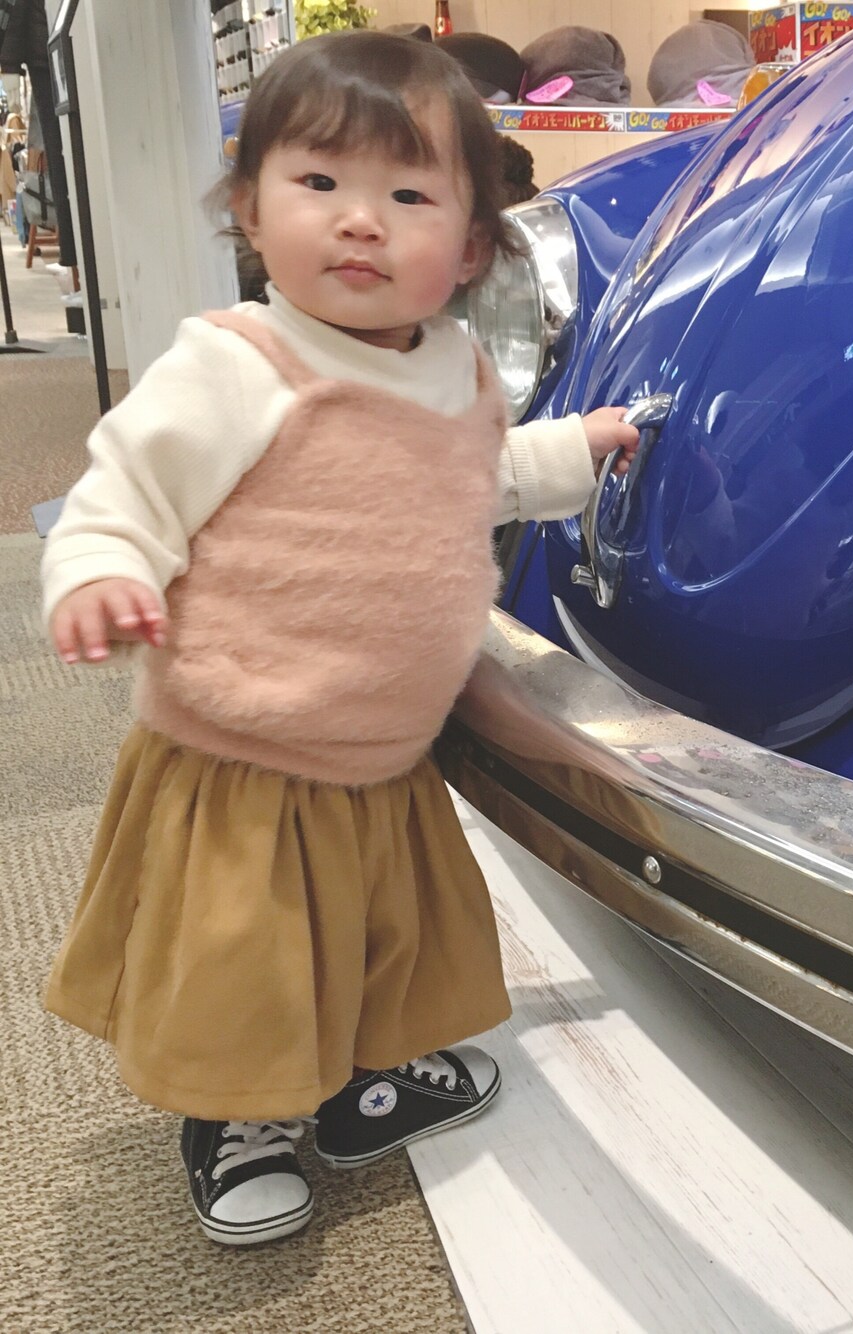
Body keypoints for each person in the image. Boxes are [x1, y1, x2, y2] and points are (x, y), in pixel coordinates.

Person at [40, 31, 639, 1248]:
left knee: (381, 930)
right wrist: (100, 570)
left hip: (385, 745)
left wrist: (570, 452)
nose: (361, 220)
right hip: (249, 749)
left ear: (470, 248)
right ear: (250, 210)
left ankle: (362, 1074)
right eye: (319, 182)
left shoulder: (456, 367)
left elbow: (475, 474)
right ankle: (236, 1116)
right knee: (246, 957)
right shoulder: (236, 365)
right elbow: (122, 493)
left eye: (409, 196)